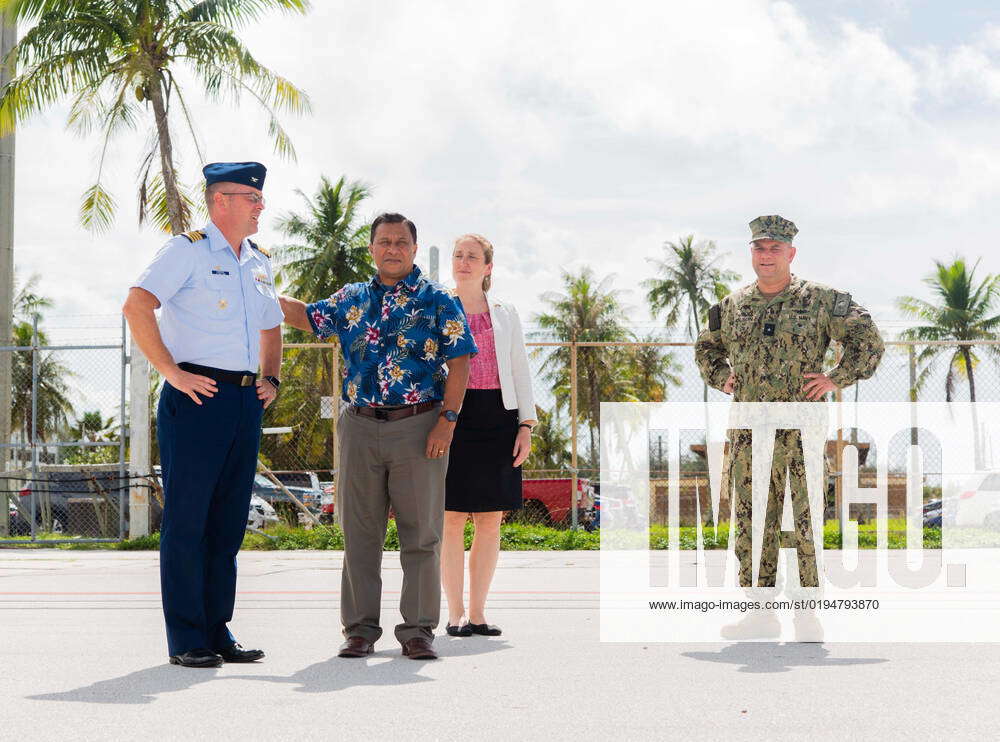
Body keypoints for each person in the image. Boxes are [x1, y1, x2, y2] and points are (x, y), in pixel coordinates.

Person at [278, 213, 476, 660]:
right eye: (384, 241)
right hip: (360, 425)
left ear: (413, 248)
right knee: (359, 533)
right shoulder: (350, 299)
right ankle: (360, 629)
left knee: (421, 534)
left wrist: (447, 420)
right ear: (371, 248)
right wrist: (254, 291)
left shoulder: (438, 300)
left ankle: (418, 630)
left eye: (401, 242)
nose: (392, 249)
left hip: (420, 425)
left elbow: (461, 361)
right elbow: (307, 317)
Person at [122, 162, 283, 668]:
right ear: (221, 201)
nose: (260, 205)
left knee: (228, 523)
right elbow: (136, 304)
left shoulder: (257, 261)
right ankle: (187, 638)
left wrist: (271, 378)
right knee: (188, 522)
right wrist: (172, 372)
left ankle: (218, 631)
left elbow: (272, 323)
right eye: (251, 198)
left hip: (242, 401)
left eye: (260, 198)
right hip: (196, 396)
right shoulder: (185, 250)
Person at [694, 215, 884, 641]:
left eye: (775, 248)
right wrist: (720, 375)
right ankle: (758, 613)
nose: (766, 256)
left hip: (801, 428)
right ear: (752, 253)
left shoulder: (820, 300)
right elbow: (706, 347)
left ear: (790, 253)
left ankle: (806, 614)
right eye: (759, 248)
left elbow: (868, 339)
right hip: (748, 430)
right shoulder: (732, 306)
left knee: (804, 518)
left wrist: (837, 376)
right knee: (750, 517)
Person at [441, 234, 537, 637]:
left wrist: (526, 426)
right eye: (459, 255)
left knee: (490, 521)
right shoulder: (437, 306)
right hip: (451, 416)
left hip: (498, 416)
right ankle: (455, 613)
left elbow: (519, 369)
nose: (464, 262)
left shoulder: (506, 312)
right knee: (450, 519)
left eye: (472, 256)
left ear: (488, 267)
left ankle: (478, 613)